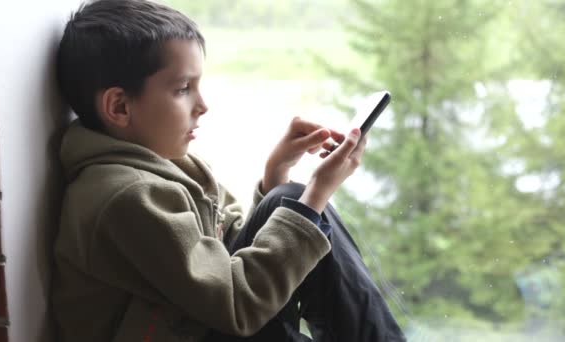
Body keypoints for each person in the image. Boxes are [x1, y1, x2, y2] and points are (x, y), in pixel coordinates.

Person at [51, 0, 406, 341]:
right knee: (302, 206)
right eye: (183, 89)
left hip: (201, 321)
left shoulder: (164, 166)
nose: (202, 105)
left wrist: (275, 173)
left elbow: (224, 258)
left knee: (287, 199)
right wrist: (316, 196)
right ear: (120, 106)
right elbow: (239, 306)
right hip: (207, 324)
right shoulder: (127, 197)